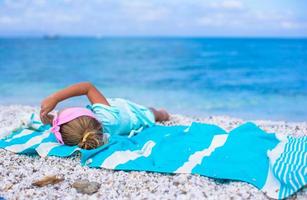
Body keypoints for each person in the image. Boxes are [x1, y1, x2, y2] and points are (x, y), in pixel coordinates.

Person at [40, 82, 170, 150]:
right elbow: (87, 87)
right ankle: (165, 114)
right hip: (135, 113)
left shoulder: (94, 135)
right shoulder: (105, 116)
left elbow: (69, 130)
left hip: (125, 120)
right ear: (89, 116)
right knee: (155, 113)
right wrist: (55, 98)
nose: (58, 112)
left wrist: (52, 121)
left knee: (154, 114)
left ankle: (161, 114)